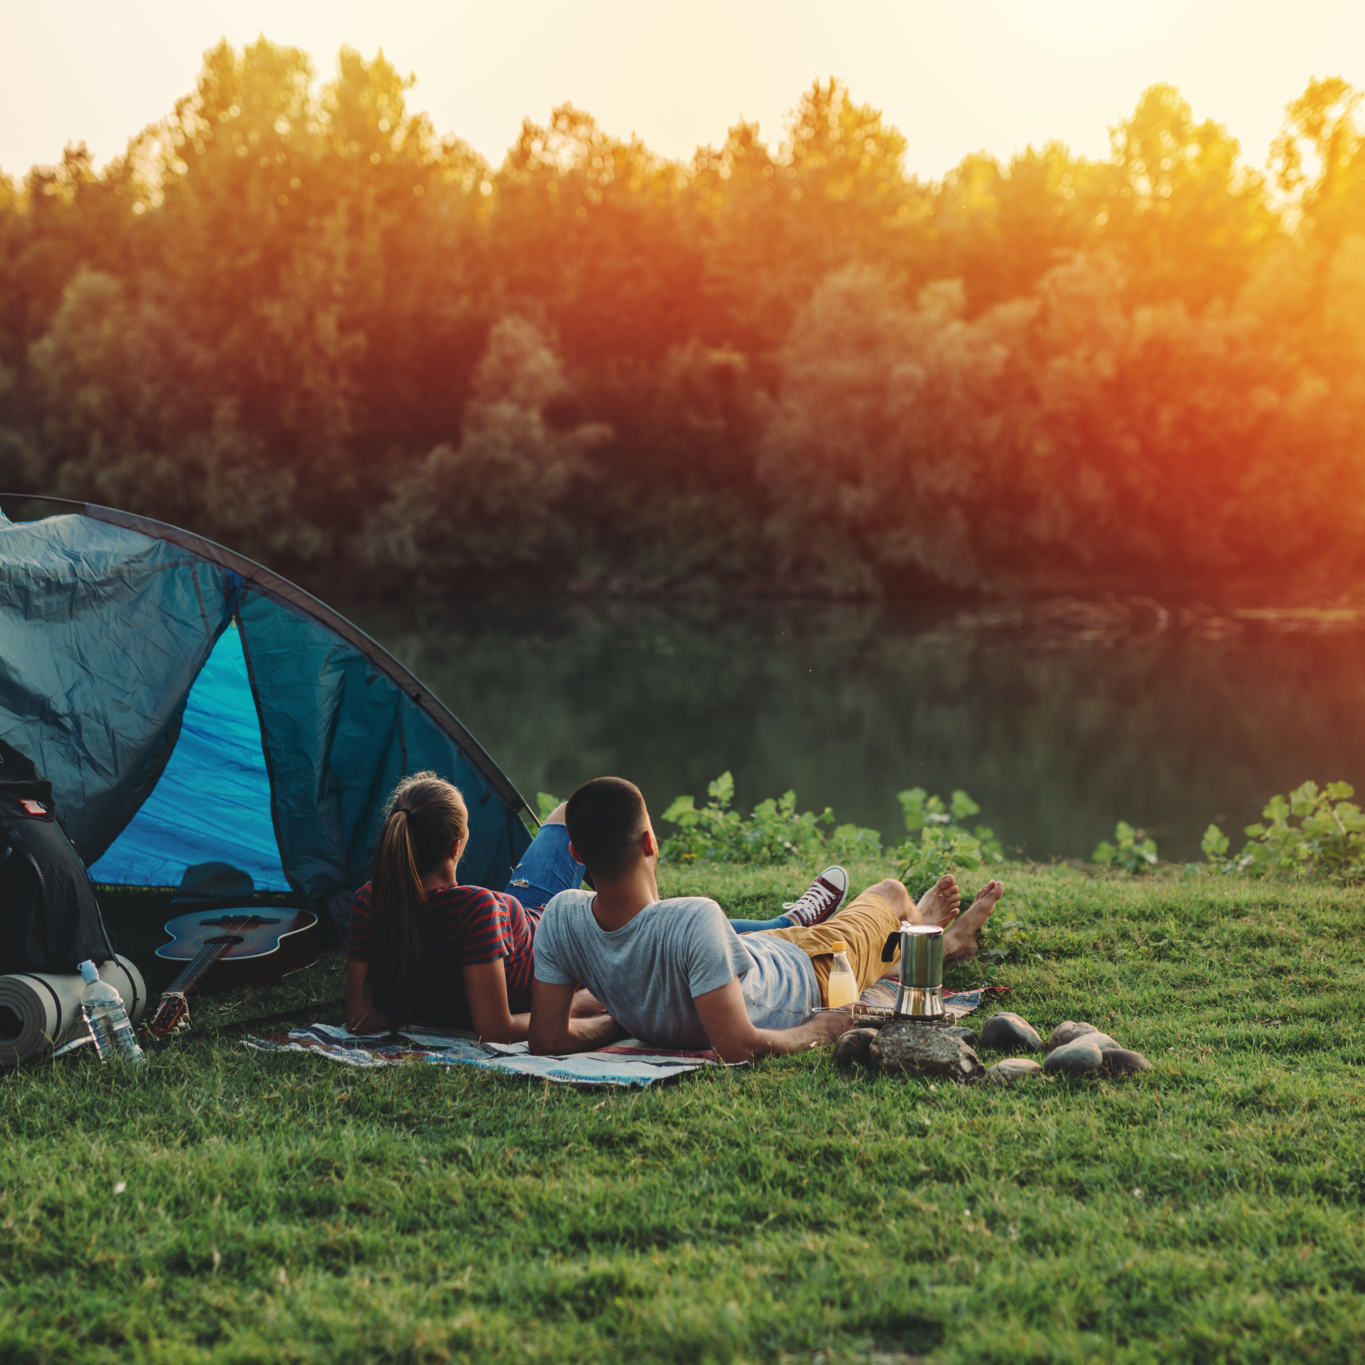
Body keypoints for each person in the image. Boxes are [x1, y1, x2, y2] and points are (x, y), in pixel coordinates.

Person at [345, 772, 853, 1042]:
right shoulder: (473, 910)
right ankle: (783, 924)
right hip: (547, 928)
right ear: (458, 845)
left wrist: (417, 1004)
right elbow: (494, 1029)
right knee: (648, 922)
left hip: (522, 913)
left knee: (573, 810)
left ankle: (773, 921)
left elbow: (361, 1019)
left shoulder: (373, 902)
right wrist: (609, 1017)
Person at [529, 776, 1004, 1063]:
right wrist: (825, 1028)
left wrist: (621, 1020)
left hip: (766, 953)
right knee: (892, 893)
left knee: (804, 935)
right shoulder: (694, 919)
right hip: (816, 973)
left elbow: (547, 1040)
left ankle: (901, 952)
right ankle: (940, 943)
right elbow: (738, 1047)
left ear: (574, 853)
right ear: (651, 843)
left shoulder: (561, 917)